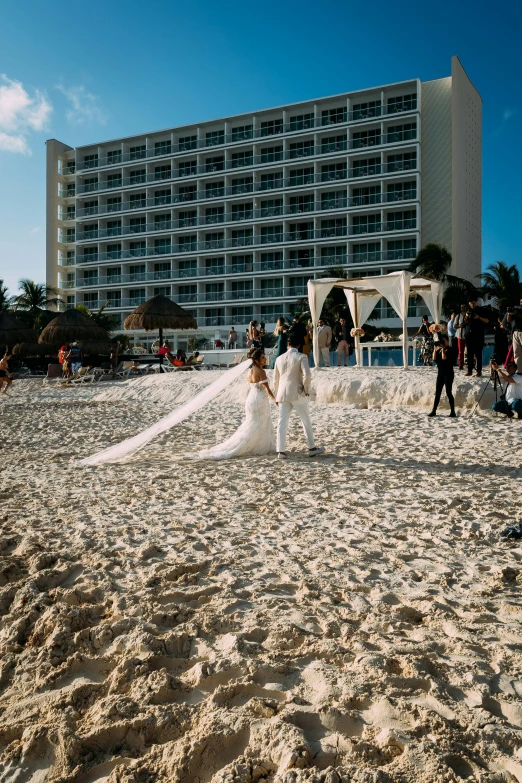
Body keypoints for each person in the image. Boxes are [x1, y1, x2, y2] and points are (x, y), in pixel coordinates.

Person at [198, 348, 277, 459]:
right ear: (257, 360)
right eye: (263, 358)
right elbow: (267, 389)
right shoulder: (262, 372)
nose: (265, 359)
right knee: (260, 423)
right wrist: (275, 400)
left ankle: (250, 444)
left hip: (250, 400)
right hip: (259, 400)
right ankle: (257, 446)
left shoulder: (249, 372)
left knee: (252, 423)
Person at [274, 333, 325, 460]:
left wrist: (276, 395)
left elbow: (275, 380)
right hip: (297, 393)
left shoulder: (279, 358)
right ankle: (312, 448)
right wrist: (306, 389)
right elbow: (307, 375)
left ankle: (281, 451)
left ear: (288, 344)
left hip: (282, 394)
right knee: (305, 420)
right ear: (299, 345)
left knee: (282, 423)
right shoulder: (302, 356)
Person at [427, 335, 456, 418]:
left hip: (448, 373)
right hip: (441, 373)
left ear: (447, 341)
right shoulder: (439, 350)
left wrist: (443, 349)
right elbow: (434, 359)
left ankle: (453, 411)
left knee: (448, 392)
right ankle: (434, 410)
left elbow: (444, 359)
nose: (442, 343)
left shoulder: (451, 349)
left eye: (443, 341)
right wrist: (435, 349)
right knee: (438, 392)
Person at [464, 299, 489, 377]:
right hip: (469, 334)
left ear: (476, 302)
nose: (472, 304)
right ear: (469, 303)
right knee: (469, 354)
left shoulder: (481, 310)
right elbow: (464, 321)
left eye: (474, 303)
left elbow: (487, 321)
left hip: (478, 334)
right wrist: (466, 316)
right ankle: (469, 370)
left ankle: (479, 371)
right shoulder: (468, 310)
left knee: (478, 354)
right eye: (471, 303)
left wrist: (479, 317)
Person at [507, 298, 522, 372]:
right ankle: (519, 371)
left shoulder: (519, 311)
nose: (521, 303)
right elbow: (509, 320)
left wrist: (517, 312)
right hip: (516, 332)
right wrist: (509, 312)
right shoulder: (517, 310)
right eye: (520, 302)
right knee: (516, 352)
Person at [453, 303, 468, 371]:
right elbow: (454, 326)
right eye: (462, 307)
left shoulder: (468, 315)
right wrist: (459, 326)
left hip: (468, 335)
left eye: (464, 307)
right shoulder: (458, 316)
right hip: (460, 335)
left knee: (470, 351)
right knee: (460, 351)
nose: (463, 308)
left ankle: (470, 364)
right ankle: (460, 365)